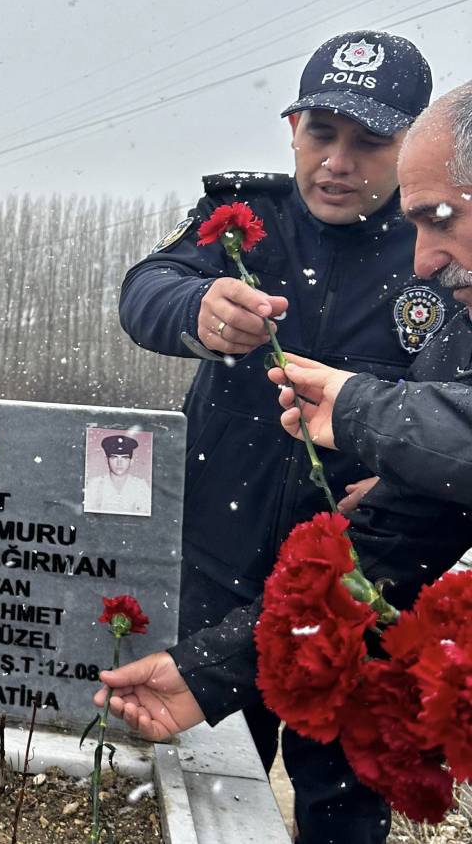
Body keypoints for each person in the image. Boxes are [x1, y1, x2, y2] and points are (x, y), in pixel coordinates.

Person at [98, 80, 472, 839]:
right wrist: (196, 311)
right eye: (319, 134)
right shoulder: (250, 220)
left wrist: (387, 432)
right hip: (223, 553)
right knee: (211, 786)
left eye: (367, 144)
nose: (337, 163)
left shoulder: (437, 260)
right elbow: (147, 289)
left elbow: (435, 475)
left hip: (360, 562)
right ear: (292, 130)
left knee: (342, 790)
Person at [84, 434, 151, 515]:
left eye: (124, 458)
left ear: (131, 461)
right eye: (114, 457)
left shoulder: (141, 487)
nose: (119, 462)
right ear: (106, 460)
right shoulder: (94, 485)